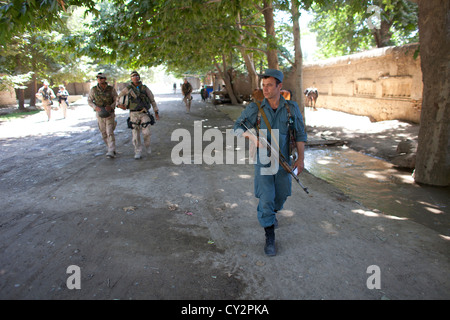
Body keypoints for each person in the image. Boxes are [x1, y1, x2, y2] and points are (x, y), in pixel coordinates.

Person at [233, 69, 307, 256]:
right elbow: (236, 128)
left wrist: (301, 159)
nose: (265, 89)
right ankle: (269, 235)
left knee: (281, 195)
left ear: (279, 87)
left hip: (284, 161)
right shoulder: (255, 109)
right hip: (263, 160)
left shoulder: (291, 108)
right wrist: (252, 137)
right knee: (266, 196)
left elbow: (300, 134)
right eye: (263, 85)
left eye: (270, 85)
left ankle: (272, 213)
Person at [117, 71, 160, 159]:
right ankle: (138, 151)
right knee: (135, 134)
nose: (135, 77)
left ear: (139, 77)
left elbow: (152, 100)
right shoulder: (128, 89)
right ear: (131, 78)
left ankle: (147, 146)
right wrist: (119, 105)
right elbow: (118, 97)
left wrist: (156, 111)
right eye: (133, 76)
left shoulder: (144, 88)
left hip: (144, 112)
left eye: (137, 76)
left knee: (146, 132)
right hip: (133, 113)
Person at [87, 73, 118, 159]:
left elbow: (117, 100)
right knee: (103, 133)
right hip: (100, 114)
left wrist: (111, 106)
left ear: (105, 79)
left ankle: (111, 150)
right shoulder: (94, 90)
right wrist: (95, 107)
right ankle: (110, 147)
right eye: (98, 78)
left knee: (109, 132)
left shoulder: (111, 89)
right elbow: (89, 100)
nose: (100, 79)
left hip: (110, 114)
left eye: (102, 78)